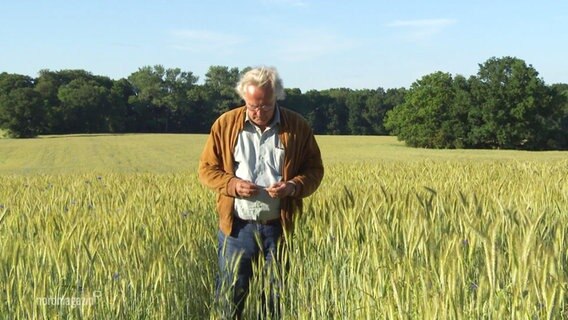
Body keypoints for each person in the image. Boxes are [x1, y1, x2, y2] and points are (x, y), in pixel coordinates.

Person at [198, 66, 324, 319]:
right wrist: (233, 185)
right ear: (244, 99)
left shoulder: (297, 127)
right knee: (230, 298)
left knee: (275, 300)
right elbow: (206, 170)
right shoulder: (225, 124)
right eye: (252, 106)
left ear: (276, 97)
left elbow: (314, 170)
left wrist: (293, 186)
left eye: (265, 106)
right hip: (236, 229)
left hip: (279, 228)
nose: (258, 112)